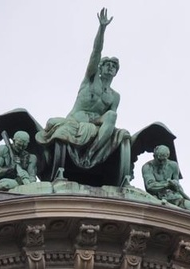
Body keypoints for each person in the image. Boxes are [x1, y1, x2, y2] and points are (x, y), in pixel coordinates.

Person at [37, 9, 135, 186]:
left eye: (114, 66)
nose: (110, 68)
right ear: (100, 67)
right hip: (76, 120)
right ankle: (76, 158)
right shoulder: (91, 79)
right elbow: (96, 52)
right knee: (64, 127)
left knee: (113, 117)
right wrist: (102, 29)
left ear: (116, 71)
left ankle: (91, 154)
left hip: (97, 126)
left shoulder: (114, 96)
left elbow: (109, 119)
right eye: (107, 64)